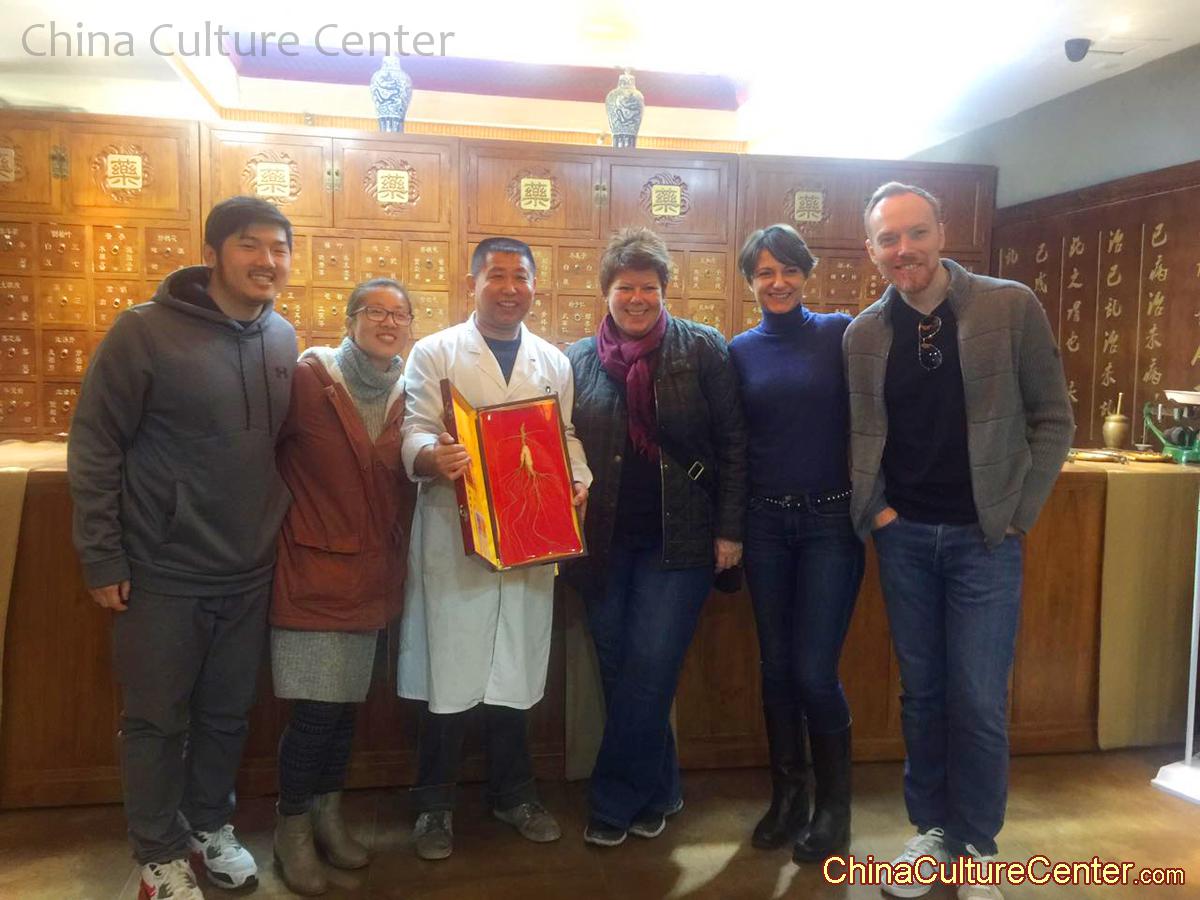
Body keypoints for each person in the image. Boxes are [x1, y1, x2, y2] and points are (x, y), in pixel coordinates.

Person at [844, 182, 1073, 900]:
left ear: (942, 232)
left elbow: (1053, 418)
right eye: (888, 238)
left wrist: (1017, 515)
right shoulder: (863, 335)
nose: (903, 249)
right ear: (872, 249)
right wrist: (878, 512)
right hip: (905, 539)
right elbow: (860, 435)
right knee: (923, 694)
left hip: (985, 541)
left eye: (915, 232)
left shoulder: (1008, 306)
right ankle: (933, 831)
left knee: (977, 697)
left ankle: (976, 847)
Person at [68, 196, 297, 900]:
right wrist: (102, 555)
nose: (267, 260)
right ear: (212, 254)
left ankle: (207, 825)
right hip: (162, 570)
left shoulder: (281, 336)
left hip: (249, 568)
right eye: (250, 244)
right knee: (156, 720)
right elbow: (95, 444)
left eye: (280, 247)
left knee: (227, 714)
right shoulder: (144, 333)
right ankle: (158, 854)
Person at [398, 236, 591, 860]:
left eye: (521, 276)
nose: (510, 288)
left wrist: (577, 481)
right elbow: (414, 429)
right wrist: (432, 457)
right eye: (497, 276)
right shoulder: (435, 351)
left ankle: (515, 794)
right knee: (449, 673)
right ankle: (433, 805)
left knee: (515, 672)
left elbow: (563, 434)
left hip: (529, 534)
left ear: (535, 284)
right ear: (473, 283)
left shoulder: (552, 360)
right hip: (456, 535)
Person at [565, 226, 747, 847]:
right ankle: (661, 790)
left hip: (682, 542)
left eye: (648, 287)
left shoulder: (702, 348)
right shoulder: (577, 360)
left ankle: (612, 801)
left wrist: (730, 530)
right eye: (625, 287)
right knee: (620, 667)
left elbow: (733, 443)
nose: (637, 298)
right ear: (606, 292)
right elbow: (559, 441)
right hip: (603, 543)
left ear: (665, 290)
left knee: (649, 666)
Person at [269, 278, 417, 894]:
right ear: (350, 319)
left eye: (399, 314)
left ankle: (327, 816)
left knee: (343, 710)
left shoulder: (411, 391)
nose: (388, 323)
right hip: (314, 574)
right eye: (374, 311)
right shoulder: (309, 379)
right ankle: (292, 830)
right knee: (315, 712)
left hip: (373, 579)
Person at [729, 224, 865, 862]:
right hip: (764, 525)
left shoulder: (841, 334)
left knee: (814, 671)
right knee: (776, 669)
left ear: (807, 274)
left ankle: (835, 807)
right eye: (764, 273)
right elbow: (734, 444)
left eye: (787, 270)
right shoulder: (739, 351)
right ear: (750, 282)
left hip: (830, 524)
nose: (777, 282)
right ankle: (789, 798)